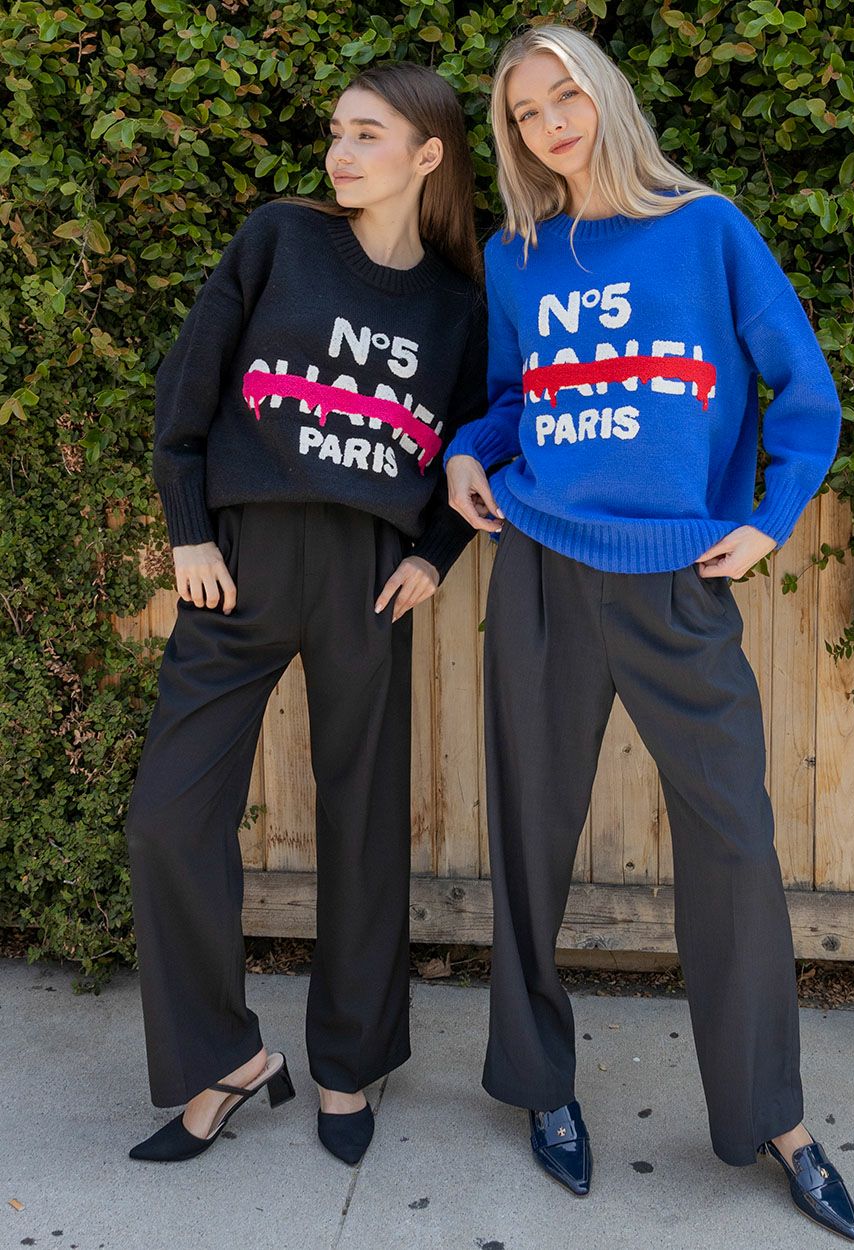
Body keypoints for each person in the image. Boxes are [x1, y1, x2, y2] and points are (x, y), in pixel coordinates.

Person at [445, 23, 854, 1241]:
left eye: (562, 96)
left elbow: (805, 389)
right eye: (523, 113)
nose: (547, 125)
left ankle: (775, 1118)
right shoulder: (518, 256)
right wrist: (468, 453)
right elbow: (514, 400)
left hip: (677, 580)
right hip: (541, 569)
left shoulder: (707, 228)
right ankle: (538, 1083)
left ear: (604, 95)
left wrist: (769, 518)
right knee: (529, 837)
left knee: (734, 843)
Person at [125, 61, 487, 1167]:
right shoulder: (279, 238)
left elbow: (477, 439)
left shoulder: (458, 303)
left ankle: (348, 1063)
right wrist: (189, 529)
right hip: (238, 563)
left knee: (364, 824)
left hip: (368, 574)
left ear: (427, 154)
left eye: (368, 133)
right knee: (167, 817)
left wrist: (435, 553)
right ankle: (225, 1059)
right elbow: (188, 388)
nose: (342, 151)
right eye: (337, 131)